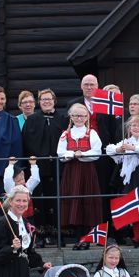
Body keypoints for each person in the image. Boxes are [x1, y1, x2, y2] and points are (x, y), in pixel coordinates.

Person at [67, 75, 119, 224]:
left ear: (97, 86)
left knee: (101, 190)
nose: (89, 87)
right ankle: (84, 228)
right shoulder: (72, 104)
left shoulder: (106, 103)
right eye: (86, 84)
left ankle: (104, 226)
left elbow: (112, 129)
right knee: (82, 191)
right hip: (80, 155)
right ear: (81, 86)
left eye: (92, 84)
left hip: (102, 155)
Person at [21, 88, 66, 247]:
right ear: (39, 102)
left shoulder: (62, 119)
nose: (46, 102)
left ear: (54, 101)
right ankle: (39, 235)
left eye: (49, 99)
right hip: (37, 168)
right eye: (43, 99)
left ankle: (54, 233)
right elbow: (26, 143)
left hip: (58, 167)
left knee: (55, 200)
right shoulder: (32, 120)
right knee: (39, 201)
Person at [106, 115, 139, 248]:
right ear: (129, 128)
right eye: (133, 125)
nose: (136, 128)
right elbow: (109, 150)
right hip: (132, 176)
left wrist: (132, 148)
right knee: (134, 204)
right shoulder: (125, 141)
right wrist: (119, 149)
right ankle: (136, 237)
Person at [57, 103, 103, 249]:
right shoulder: (65, 134)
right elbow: (60, 153)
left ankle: (87, 239)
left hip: (87, 171)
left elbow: (97, 152)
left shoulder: (92, 133)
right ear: (71, 117)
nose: (79, 118)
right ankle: (78, 238)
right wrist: (71, 154)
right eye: (76, 115)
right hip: (71, 171)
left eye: (82, 115)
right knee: (74, 201)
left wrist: (81, 154)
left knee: (87, 200)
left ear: (87, 117)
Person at [2, 156, 40, 223]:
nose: (22, 182)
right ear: (13, 181)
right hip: (14, 218)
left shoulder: (27, 187)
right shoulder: (10, 188)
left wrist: (33, 165)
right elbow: (7, 179)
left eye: (23, 179)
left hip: (28, 218)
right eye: (19, 180)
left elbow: (35, 179)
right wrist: (10, 165)